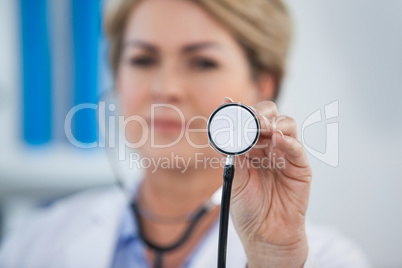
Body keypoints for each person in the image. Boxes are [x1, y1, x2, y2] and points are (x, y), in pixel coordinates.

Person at [0, 0, 370, 267]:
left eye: (202, 62)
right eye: (142, 59)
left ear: (264, 85)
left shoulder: (328, 258)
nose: (165, 88)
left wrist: (271, 259)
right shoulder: (34, 243)